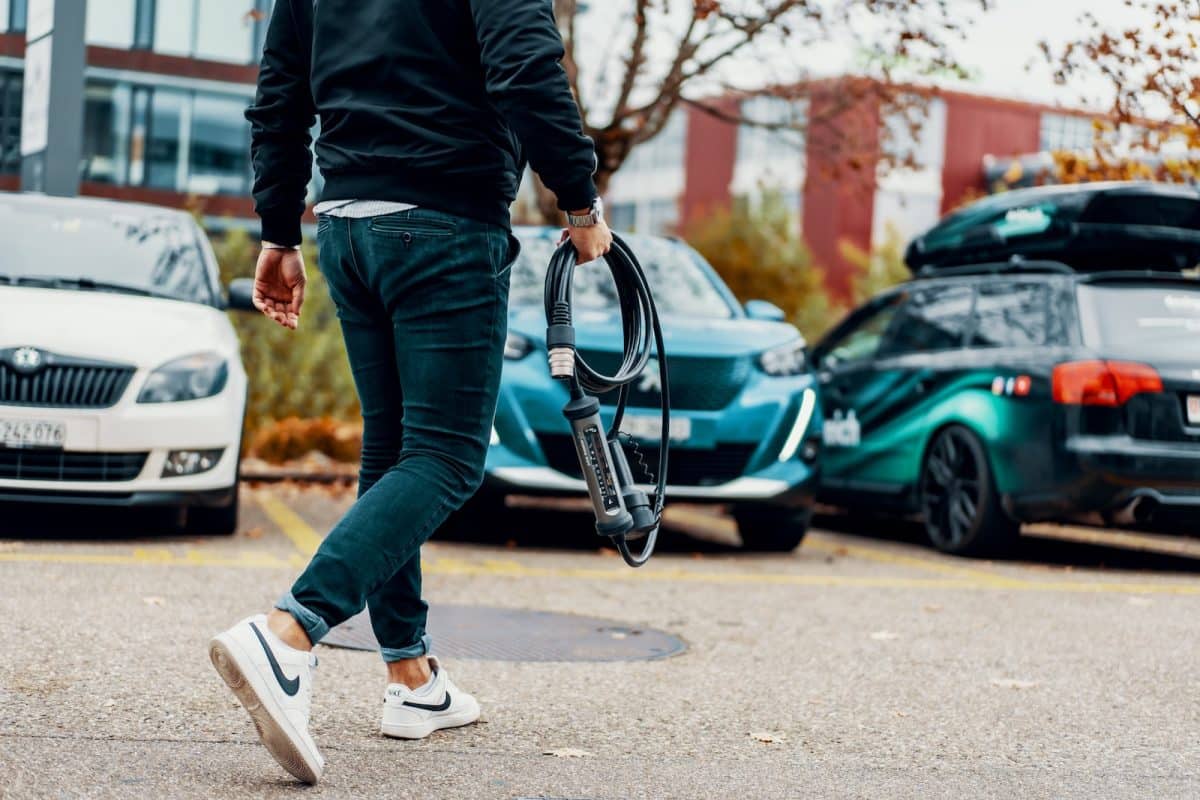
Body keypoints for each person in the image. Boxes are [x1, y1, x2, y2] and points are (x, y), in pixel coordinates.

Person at [207, 0, 611, 784]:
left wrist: (279, 231)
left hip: (349, 226)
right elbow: (527, 66)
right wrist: (580, 198)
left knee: (395, 452)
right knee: (451, 458)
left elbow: (281, 90)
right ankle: (289, 633)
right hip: (443, 222)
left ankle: (411, 679)